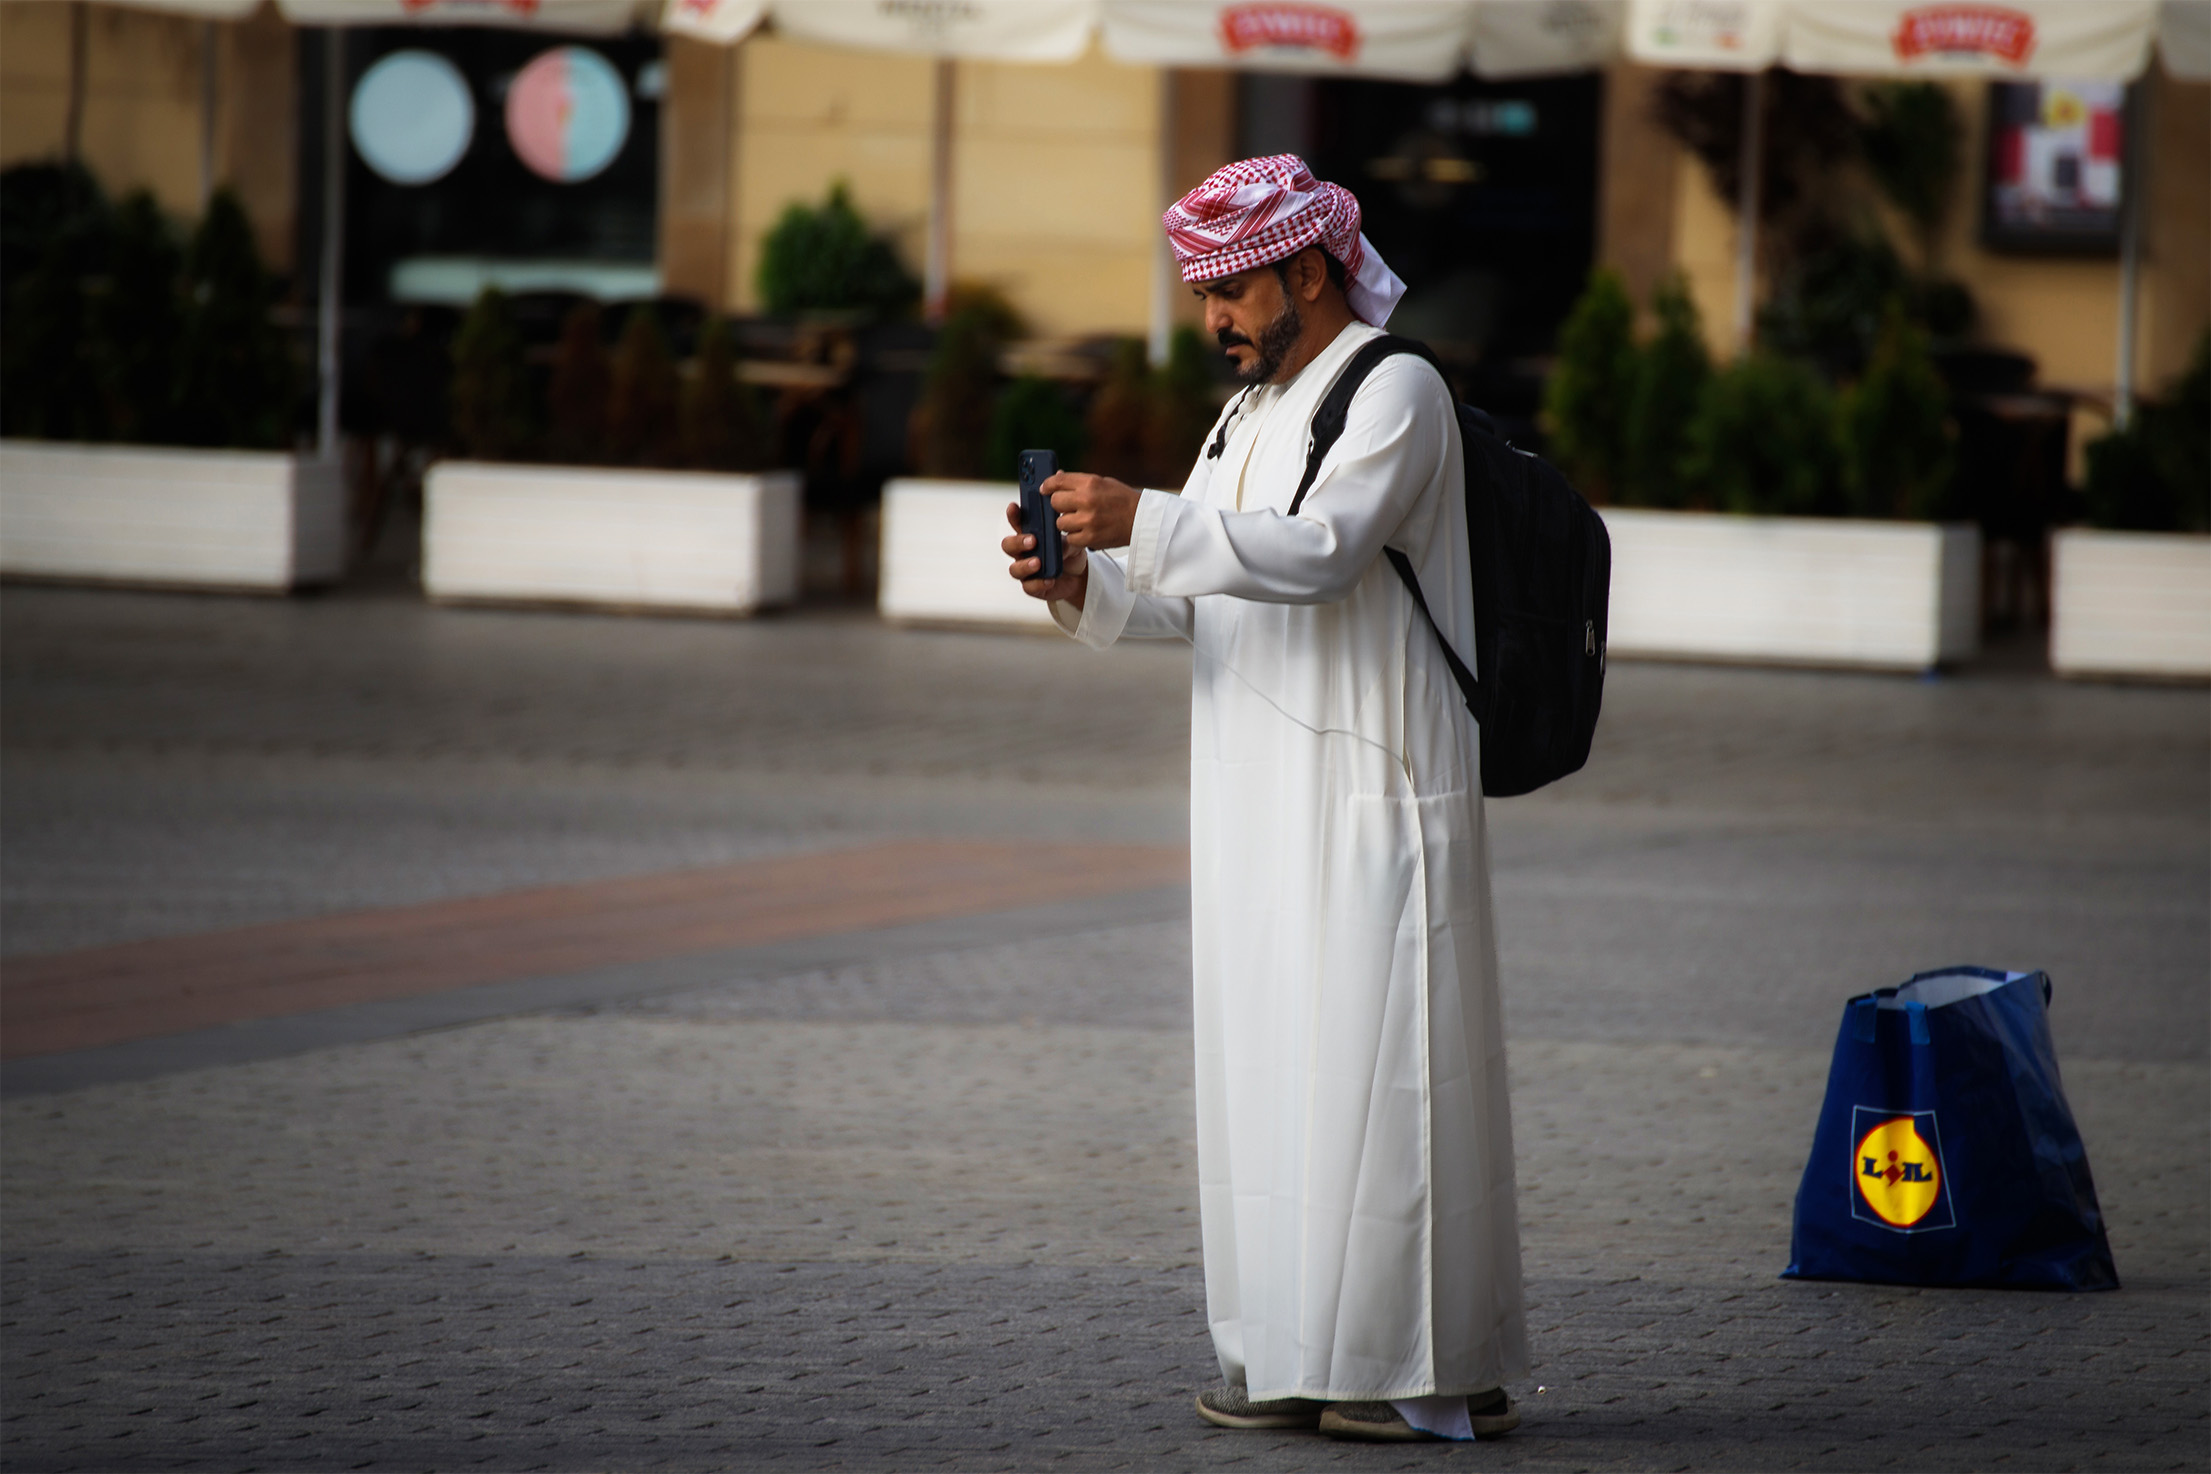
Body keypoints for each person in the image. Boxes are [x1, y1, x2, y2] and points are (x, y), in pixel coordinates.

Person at [1000, 155, 1526, 1444]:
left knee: (1376, 1084)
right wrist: (1082, 580)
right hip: (1253, 811)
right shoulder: (1244, 416)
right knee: (1268, 1083)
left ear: (1308, 268)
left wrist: (1146, 512)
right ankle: (1285, 1354)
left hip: (1369, 796)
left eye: (1233, 290)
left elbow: (1328, 552)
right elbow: (1199, 594)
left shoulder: (1397, 389)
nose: (1217, 320)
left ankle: (1411, 1374)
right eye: (1206, 297)